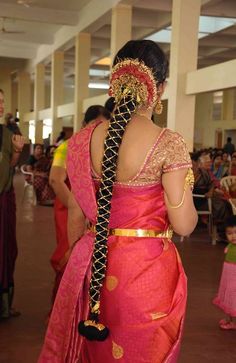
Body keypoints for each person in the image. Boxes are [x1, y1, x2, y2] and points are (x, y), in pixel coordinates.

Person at [38, 40, 197, 363]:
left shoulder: (84, 140)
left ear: (115, 82)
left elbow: (77, 214)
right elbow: (184, 224)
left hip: (94, 264)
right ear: (160, 87)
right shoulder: (168, 143)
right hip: (146, 271)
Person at [49, 105, 111, 303]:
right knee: (68, 255)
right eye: (95, 124)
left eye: (103, 125)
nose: (98, 129)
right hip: (69, 208)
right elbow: (55, 180)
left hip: (90, 213)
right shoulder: (68, 146)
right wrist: (79, 206)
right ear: (84, 124)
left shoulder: (102, 148)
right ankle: (60, 309)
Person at [0, 88, 25, 319]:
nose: (0, 105)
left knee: (4, 249)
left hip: (3, 199)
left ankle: (3, 306)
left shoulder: (7, 134)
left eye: (2, 101)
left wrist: (17, 152)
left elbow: (9, 167)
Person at [213, 216, 236, 330]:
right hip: (228, 276)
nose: (233, 236)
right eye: (229, 233)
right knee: (229, 298)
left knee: (234, 298)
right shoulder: (230, 246)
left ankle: (234, 322)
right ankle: (229, 319)